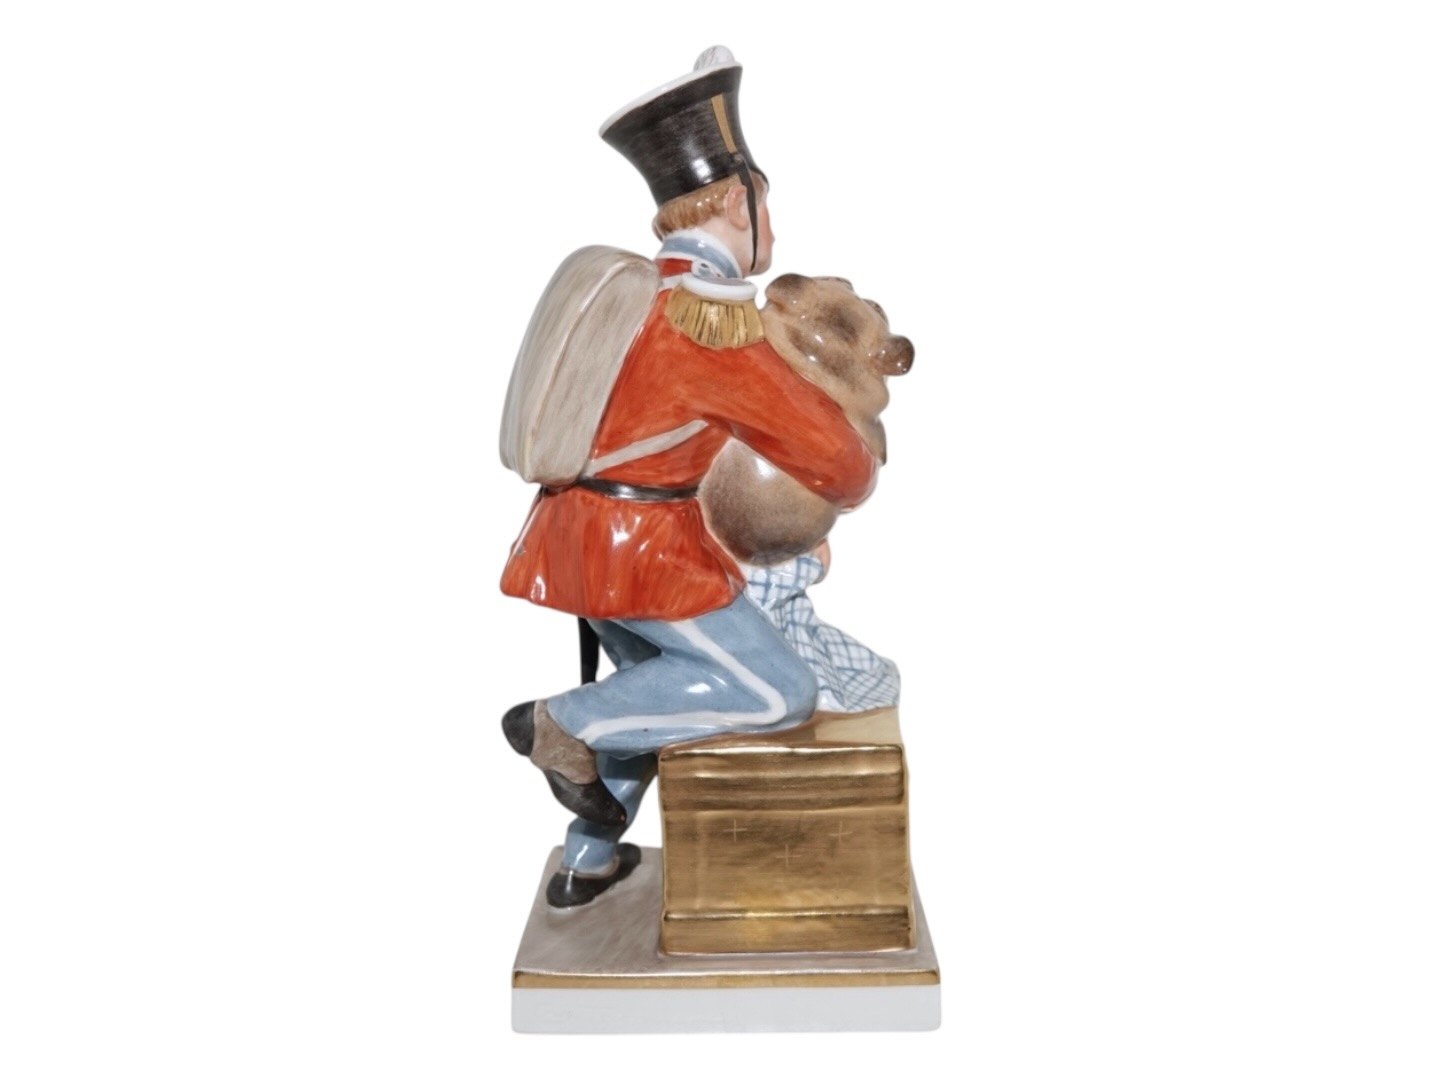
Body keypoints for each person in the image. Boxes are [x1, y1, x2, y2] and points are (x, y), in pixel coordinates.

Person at [498, 46, 878, 906]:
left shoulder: (636, 296)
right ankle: (556, 723)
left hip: (579, 538)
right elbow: (840, 466)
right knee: (777, 693)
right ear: (739, 204)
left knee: (661, 697)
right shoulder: (708, 324)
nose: (770, 222)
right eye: (765, 205)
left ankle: (587, 859)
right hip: (646, 557)